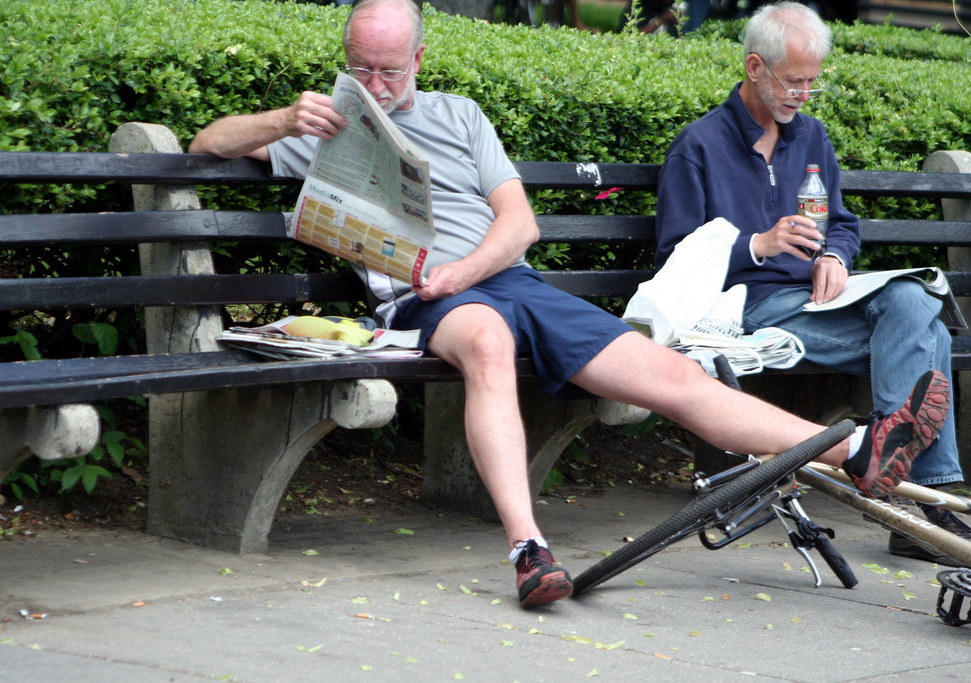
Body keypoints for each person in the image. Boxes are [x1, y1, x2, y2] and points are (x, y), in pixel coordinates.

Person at [190, 0, 950, 607]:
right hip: (425, 303)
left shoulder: (459, 117)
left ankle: (857, 451)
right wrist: (287, 121)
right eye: (362, 69)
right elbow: (206, 143)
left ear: (418, 59)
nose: (378, 84)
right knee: (487, 345)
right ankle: (529, 549)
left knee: (674, 375)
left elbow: (519, 222)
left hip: (505, 280)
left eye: (391, 69)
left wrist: (466, 268)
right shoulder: (326, 129)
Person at [655, 1, 970, 567]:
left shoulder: (812, 138)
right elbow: (673, 258)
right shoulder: (698, 146)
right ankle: (926, 504)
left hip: (820, 303)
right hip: (750, 311)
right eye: (794, 81)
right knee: (932, 332)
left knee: (913, 300)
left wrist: (835, 256)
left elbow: (842, 224)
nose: (804, 93)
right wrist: (758, 244)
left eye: (812, 83)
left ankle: (903, 494)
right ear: (755, 68)